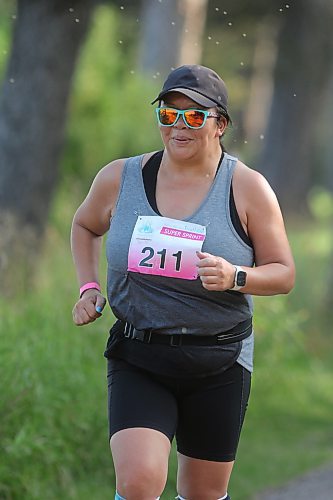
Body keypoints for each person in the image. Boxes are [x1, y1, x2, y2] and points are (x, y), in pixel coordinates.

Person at [71, 64, 295, 500]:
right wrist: (87, 287)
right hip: (140, 352)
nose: (178, 126)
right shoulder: (120, 177)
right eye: (168, 114)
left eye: (194, 116)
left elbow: (284, 273)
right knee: (138, 483)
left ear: (220, 125)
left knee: (202, 494)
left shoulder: (247, 188)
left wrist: (236, 276)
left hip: (219, 357)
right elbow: (84, 225)